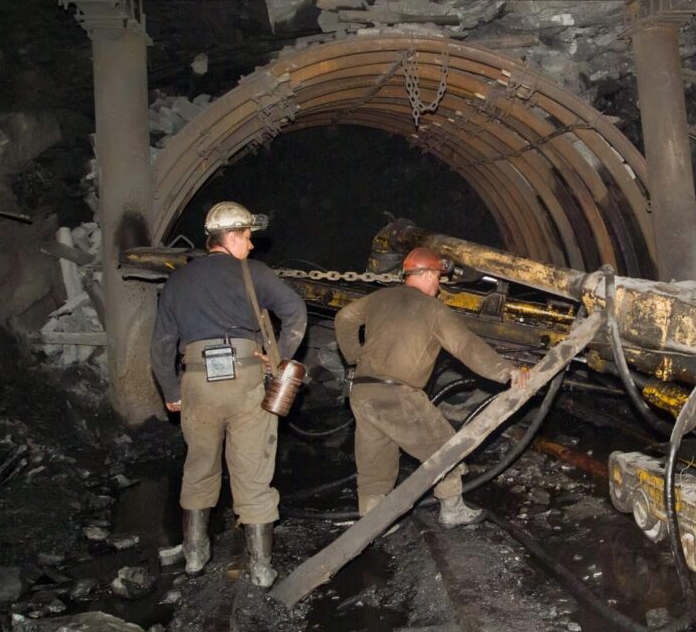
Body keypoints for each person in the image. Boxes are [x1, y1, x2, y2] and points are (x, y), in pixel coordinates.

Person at [151, 201, 307, 588]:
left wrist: (172, 391)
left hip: (197, 381)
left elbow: (160, 347)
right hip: (246, 378)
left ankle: (194, 555)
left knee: (200, 465)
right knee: (253, 469)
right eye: (248, 238)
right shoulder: (252, 273)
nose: (252, 246)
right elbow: (295, 312)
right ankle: (260, 566)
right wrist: (278, 359)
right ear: (232, 237)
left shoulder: (178, 280)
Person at [335, 246, 529, 526]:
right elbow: (465, 345)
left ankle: (372, 524)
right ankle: (452, 509)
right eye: (437, 277)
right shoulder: (432, 309)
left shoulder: (379, 298)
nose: (439, 285)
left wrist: (354, 355)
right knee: (445, 448)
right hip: (398, 394)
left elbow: (344, 318)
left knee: (375, 464)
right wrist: (506, 371)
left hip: (363, 392)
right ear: (425, 274)